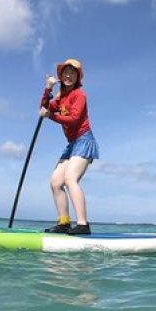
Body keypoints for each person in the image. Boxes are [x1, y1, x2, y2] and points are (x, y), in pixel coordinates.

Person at [40, 58, 99, 234]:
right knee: (56, 182)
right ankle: (64, 222)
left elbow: (74, 120)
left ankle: (83, 224)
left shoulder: (79, 95)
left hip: (84, 139)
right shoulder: (60, 97)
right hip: (71, 144)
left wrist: (50, 115)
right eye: (66, 72)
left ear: (78, 77)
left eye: (73, 73)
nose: (68, 75)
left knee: (70, 179)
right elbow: (43, 108)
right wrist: (48, 88)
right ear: (61, 75)